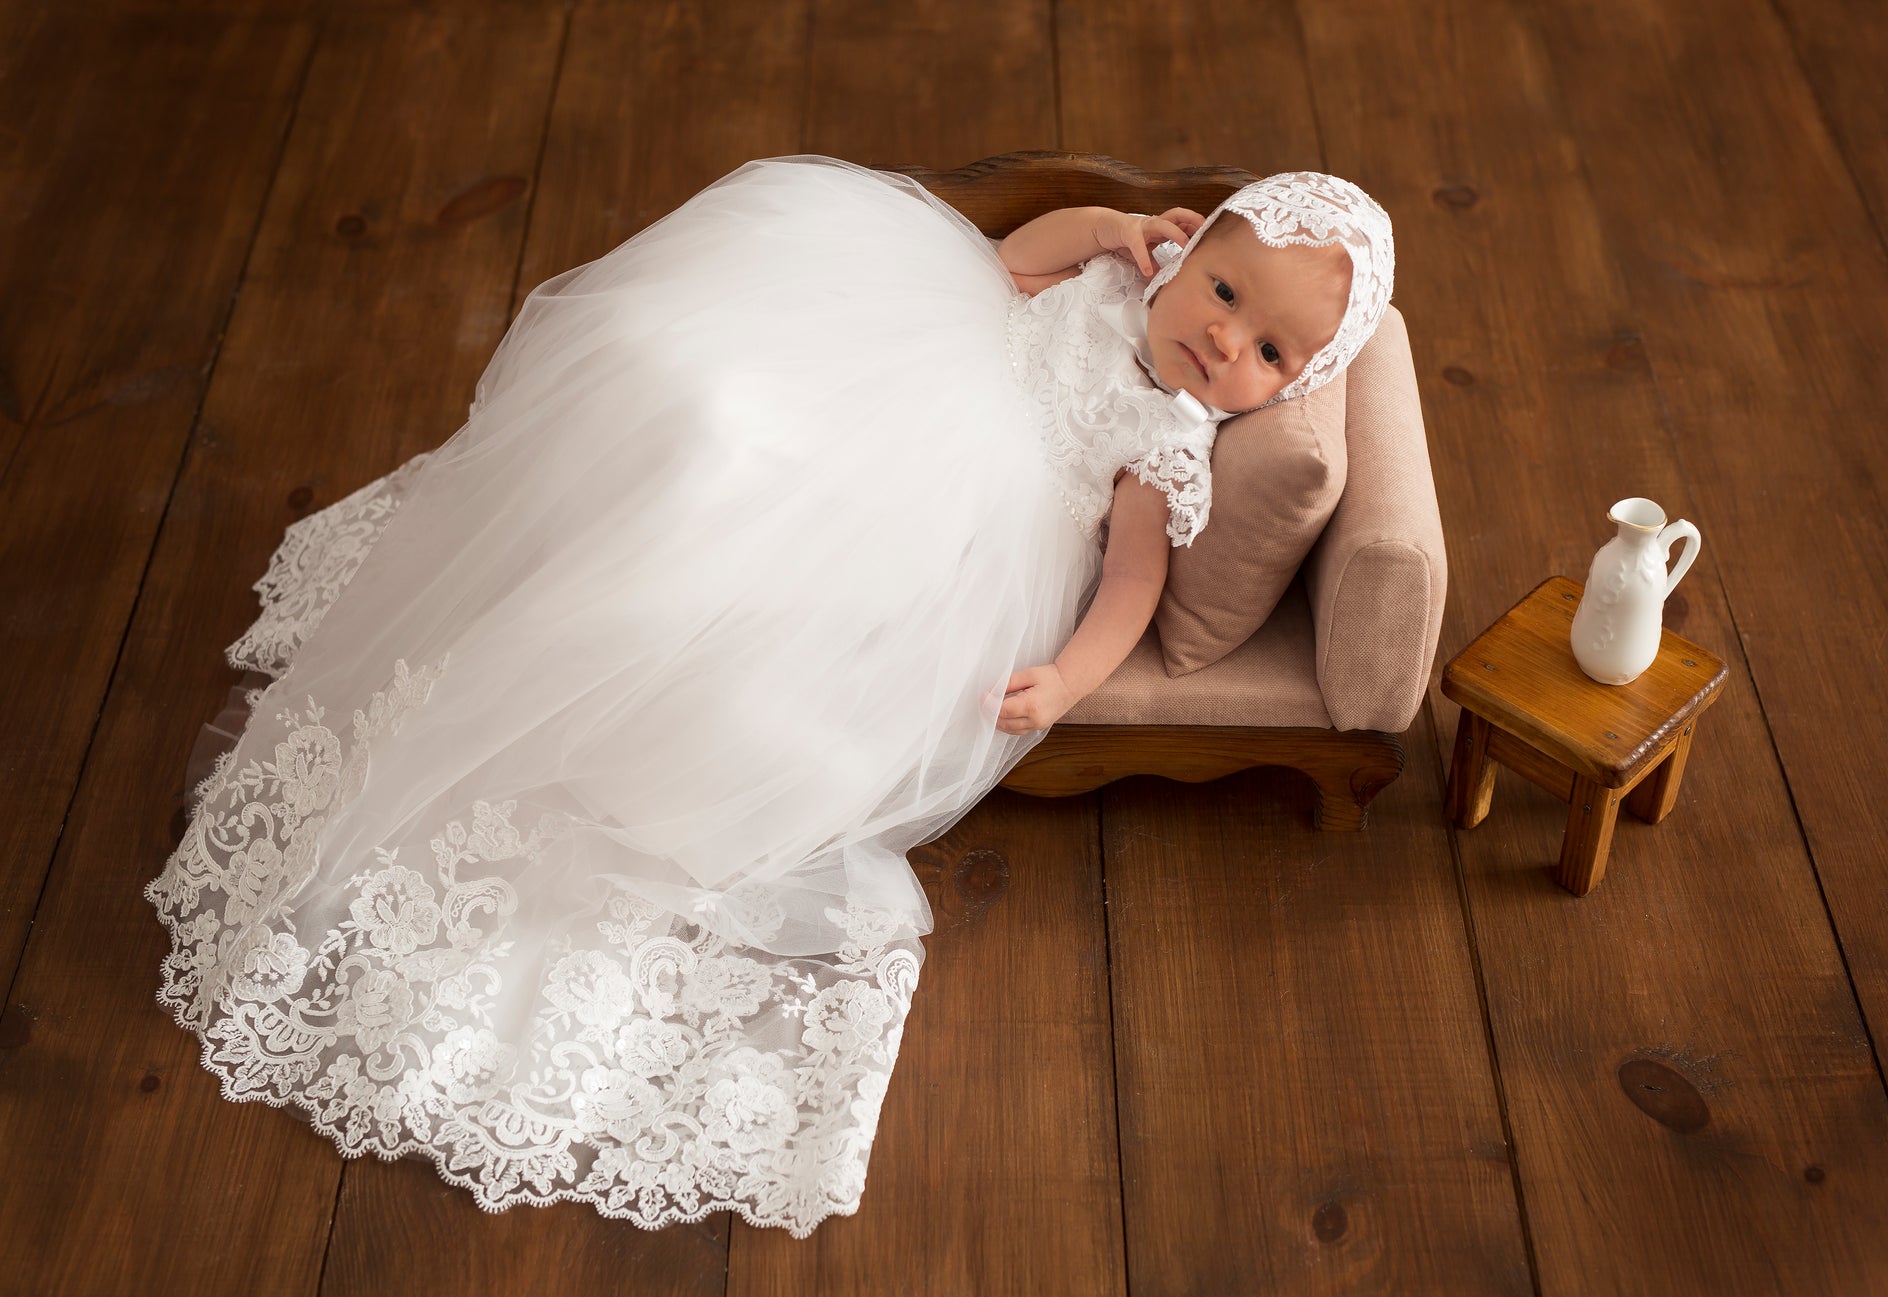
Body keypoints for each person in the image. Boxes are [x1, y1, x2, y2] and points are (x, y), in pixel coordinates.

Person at [142, 155, 1394, 1238]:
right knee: (717, 412)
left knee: (793, 595)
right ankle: (627, 523)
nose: (1223, 339)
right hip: (904, 389)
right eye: (1223, 291)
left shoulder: (1165, 444)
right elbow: (1011, 261)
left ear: (1286, 389)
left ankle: (650, 653)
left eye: (1267, 353)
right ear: (1189, 248)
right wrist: (1109, 229)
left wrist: (1066, 676)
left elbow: (1128, 583)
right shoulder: (1120, 276)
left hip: (958, 529)